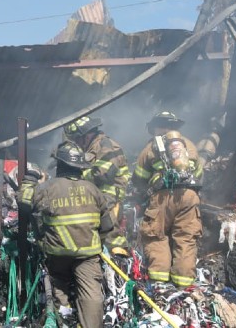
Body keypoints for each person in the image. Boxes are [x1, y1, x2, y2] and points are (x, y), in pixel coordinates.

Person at [19, 141, 112, 328]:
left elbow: (24, 201)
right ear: (80, 167)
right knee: (91, 294)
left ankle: (64, 320)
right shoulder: (93, 190)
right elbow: (107, 226)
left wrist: (30, 179)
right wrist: (95, 245)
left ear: (59, 165)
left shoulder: (47, 189)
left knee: (58, 287)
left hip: (57, 253)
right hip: (88, 254)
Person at [133, 111, 204, 289]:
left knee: (156, 236)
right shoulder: (189, 145)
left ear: (156, 126)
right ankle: (184, 285)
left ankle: (159, 285)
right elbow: (199, 174)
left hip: (162, 196)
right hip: (189, 196)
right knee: (186, 238)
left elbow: (139, 177)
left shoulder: (150, 147)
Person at [64, 115, 130, 255]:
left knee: (110, 235)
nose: (76, 143)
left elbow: (103, 174)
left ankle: (118, 263)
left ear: (86, 136)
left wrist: (76, 175)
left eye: (76, 139)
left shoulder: (106, 145)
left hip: (108, 198)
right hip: (96, 196)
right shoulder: (92, 147)